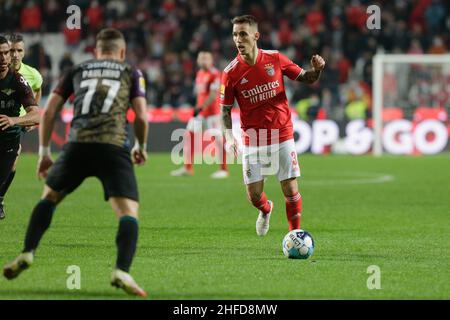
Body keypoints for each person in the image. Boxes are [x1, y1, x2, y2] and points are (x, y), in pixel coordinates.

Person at [3, 28, 149, 298]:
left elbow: (49, 113)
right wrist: (140, 146)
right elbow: (141, 116)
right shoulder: (132, 72)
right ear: (122, 52)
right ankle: (121, 270)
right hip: (113, 145)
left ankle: (27, 252)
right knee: (128, 212)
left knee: (49, 198)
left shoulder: (78, 69)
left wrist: (45, 152)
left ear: (95, 50)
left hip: (77, 144)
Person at [220, 15, 325, 236]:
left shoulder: (275, 59)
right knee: (255, 195)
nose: (238, 39)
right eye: (235, 35)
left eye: (243, 34)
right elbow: (225, 109)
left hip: (282, 133)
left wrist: (317, 70)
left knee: (290, 187)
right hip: (253, 139)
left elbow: (307, 78)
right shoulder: (230, 73)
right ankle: (266, 210)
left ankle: (295, 235)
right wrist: (229, 138)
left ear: (255, 36)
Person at [0, 33, 43, 219]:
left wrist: (15, 120)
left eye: (7, 53)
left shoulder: (20, 79)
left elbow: (36, 113)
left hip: (9, 138)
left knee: (13, 163)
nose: (5, 57)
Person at [171, 51, 229, 178]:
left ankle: (224, 169)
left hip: (212, 113)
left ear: (211, 60)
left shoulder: (215, 74)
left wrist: (200, 107)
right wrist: (197, 107)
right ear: (197, 61)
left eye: (206, 59)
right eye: (201, 59)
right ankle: (188, 168)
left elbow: (214, 95)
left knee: (218, 140)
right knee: (188, 136)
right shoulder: (199, 74)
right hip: (200, 113)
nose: (203, 61)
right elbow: (200, 95)